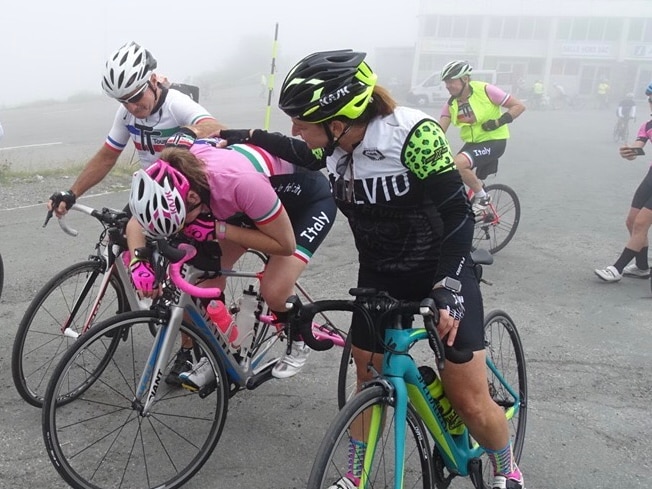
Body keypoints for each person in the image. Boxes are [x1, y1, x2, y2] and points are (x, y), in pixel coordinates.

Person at [219, 50, 525, 489]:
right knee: (368, 376)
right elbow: (292, 149)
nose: (296, 130)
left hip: (440, 270)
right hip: (380, 273)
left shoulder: (412, 134)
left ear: (338, 120)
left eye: (303, 121)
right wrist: (240, 135)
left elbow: (459, 214)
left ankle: (507, 467)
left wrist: (449, 286)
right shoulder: (334, 148)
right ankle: (356, 476)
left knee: (470, 401)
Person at [125, 140, 337, 385]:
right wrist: (138, 263)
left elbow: (284, 245)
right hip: (249, 207)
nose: (184, 229)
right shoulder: (166, 180)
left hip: (305, 203)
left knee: (275, 289)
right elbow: (136, 223)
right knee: (201, 282)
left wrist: (219, 229)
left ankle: (298, 340)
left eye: (183, 221)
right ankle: (227, 350)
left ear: (193, 197)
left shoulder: (238, 182)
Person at [47, 41, 225, 218]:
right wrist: (72, 193)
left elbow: (216, 127)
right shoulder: (125, 114)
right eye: (123, 101)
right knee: (118, 238)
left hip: (188, 195)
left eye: (136, 96)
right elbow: (106, 158)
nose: (132, 107)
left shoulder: (175, 103)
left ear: (153, 81)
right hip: (151, 191)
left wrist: (187, 132)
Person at [438, 60, 526, 214]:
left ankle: (483, 197)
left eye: (451, 81)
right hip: (473, 144)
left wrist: (498, 122)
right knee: (446, 170)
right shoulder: (451, 104)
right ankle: (468, 198)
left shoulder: (485, 90)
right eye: (446, 82)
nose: (448, 86)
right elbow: (438, 131)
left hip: (494, 141)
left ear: (465, 79)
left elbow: (519, 106)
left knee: (458, 164)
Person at [595, 84, 652, 283]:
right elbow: (638, 148)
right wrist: (629, 152)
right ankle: (642, 267)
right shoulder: (647, 126)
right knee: (632, 221)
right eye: (651, 100)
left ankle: (617, 268)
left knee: (641, 223)